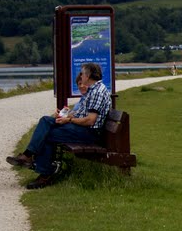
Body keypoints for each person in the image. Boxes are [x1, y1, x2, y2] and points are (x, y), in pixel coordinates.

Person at [6, 62, 112, 190]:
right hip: (83, 129)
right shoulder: (93, 90)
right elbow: (79, 113)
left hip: (89, 133)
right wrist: (64, 116)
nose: (81, 76)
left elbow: (90, 121)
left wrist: (69, 120)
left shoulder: (97, 92)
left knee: (49, 135)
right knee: (46, 121)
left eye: (83, 74)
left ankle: (43, 172)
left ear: (88, 75)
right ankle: (30, 158)